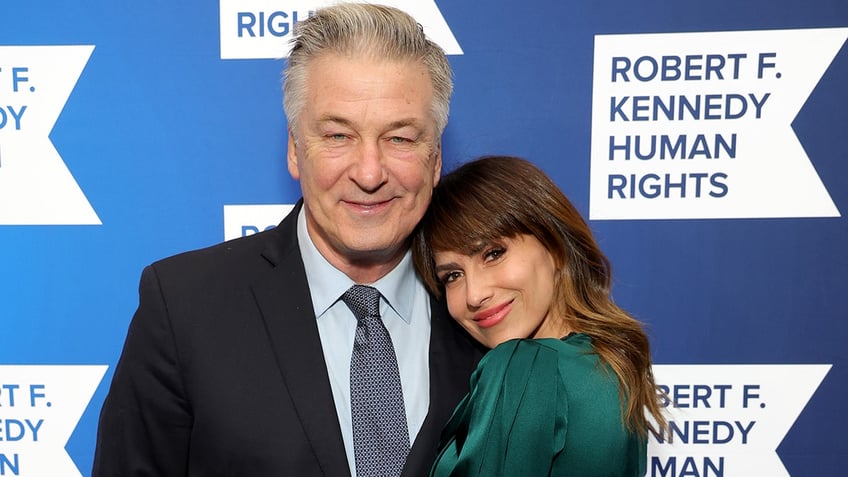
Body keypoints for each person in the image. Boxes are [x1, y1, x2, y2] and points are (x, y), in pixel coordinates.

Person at [92, 4, 481, 476]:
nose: (369, 172)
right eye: (338, 135)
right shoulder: (183, 307)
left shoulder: (488, 308)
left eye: (399, 139)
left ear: (436, 159)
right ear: (296, 150)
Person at [412, 155, 668, 476]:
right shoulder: (610, 364)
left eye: (493, 253)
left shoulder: (524, 368)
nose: (474, 294)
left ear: (554, 244)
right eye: (452, 275)